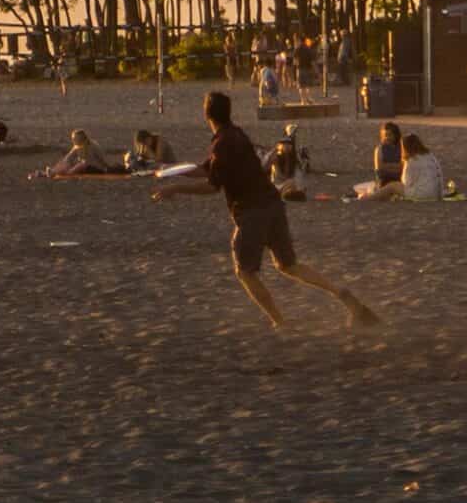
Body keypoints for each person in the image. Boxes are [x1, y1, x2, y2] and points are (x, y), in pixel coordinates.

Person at [152, 91, 380, 332]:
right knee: (288, 265)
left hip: (252, 211)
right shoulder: (236, 135)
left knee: (245, 271)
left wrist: (175, 189)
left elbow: (212, 185)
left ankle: (280, 322)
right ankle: (343, 295)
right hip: (272, 203)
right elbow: (206, 169)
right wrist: (173, 171)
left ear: (206, 113)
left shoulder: (222, 143)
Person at [357, 132, 444, 202]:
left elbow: (406, 183)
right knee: (394, 188)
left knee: (392, 186)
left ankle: (368, 198)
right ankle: (378, 196)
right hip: (437, 194)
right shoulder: (430, 155)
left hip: (424, 195)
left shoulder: (412, 160)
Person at [40, 129, 112, 178]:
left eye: (75, 138)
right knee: (66, 162)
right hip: (84, 166)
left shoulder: (91, 145)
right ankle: (53, 172)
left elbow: (98, 160)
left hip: (96, 168)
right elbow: (68, 158)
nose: (73, 140)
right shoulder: (77, 146)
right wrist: (62, 165)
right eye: (73, 138)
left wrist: (107, 168)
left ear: (81, 138)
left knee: (83, 163)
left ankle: (66, 173)